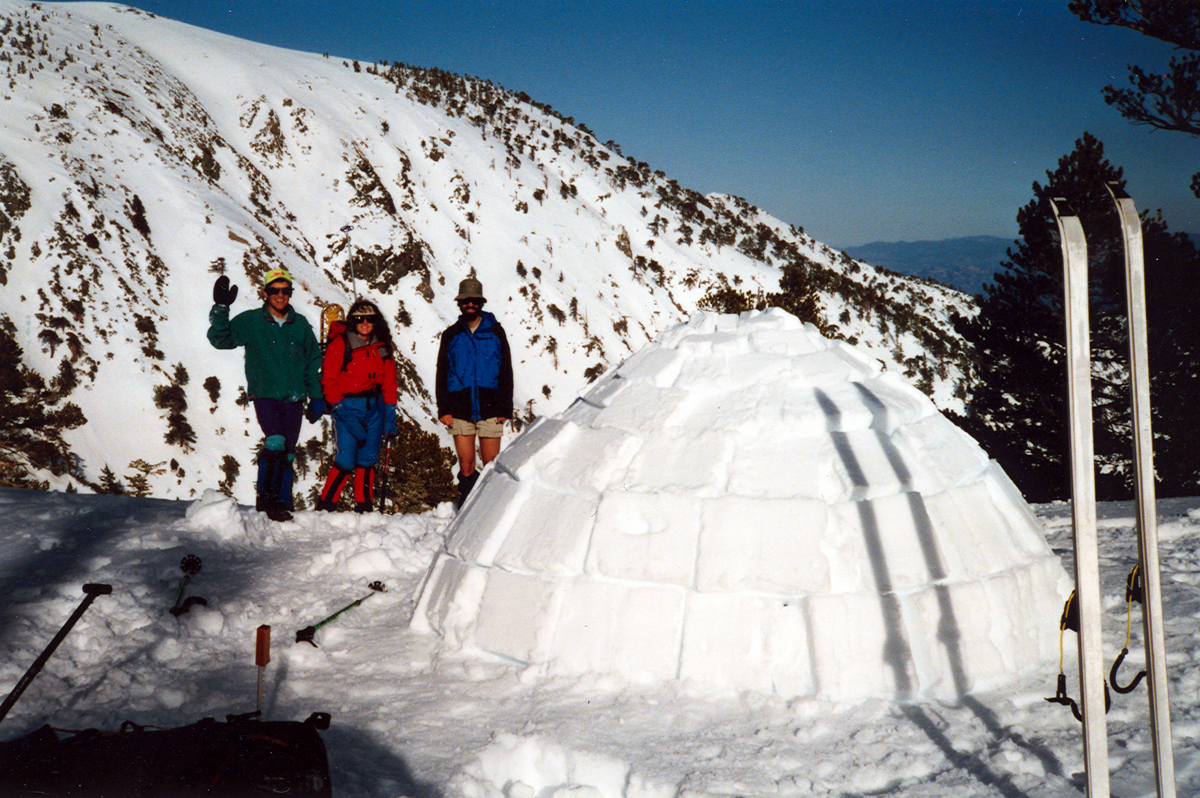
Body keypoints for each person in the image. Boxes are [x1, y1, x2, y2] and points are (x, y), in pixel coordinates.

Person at [207, 268, 323, 522]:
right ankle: (266, 500)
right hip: (265, 393)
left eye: (285, 291)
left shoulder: (300, 324)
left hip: (294, 397)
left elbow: (313, 362)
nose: (280, 295)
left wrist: (316, 396)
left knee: (289, 452)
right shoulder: (251, 321)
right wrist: (221, 308)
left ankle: (283, 502)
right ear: (265, 293)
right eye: (274, 290)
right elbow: (220, 338)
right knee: (276, 442)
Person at [435, 278, 514, 505]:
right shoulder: (451, 335)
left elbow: (505, 371)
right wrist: (444, 408)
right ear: (459, 304)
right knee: (467, 464)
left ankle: (488, 509)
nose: (470, 304)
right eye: (465, 301)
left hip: (491, 407)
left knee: (490, 463)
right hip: (459, 408)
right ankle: (468, 507)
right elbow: (442, 372)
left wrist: (504, 407)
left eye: (474, 301)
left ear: (481, 303)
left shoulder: (496, 332)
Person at [316, 299, 398, 513]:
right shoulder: (341, 344)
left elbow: (389, 382)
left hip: (375, 407)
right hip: (348, 406)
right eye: (359, 319)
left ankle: (364, 505)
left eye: (369, 319)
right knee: (345, 458)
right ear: (352, 321)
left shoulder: (381, 346)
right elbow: (329, 381)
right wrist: (340, 410)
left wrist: (390, 414)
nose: (364, 323)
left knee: (368, 457)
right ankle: (326, 504)